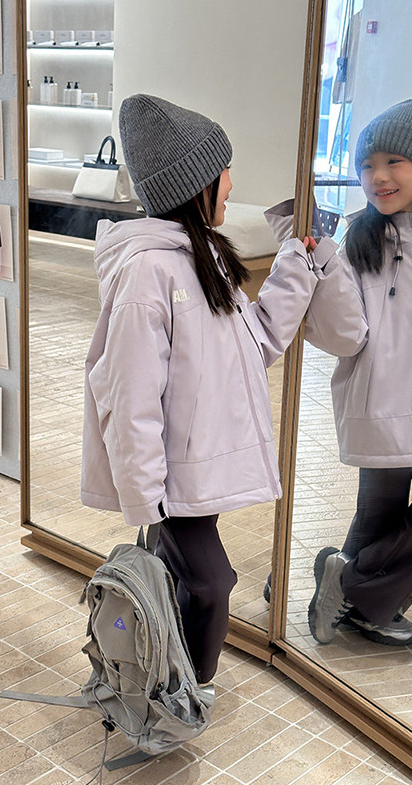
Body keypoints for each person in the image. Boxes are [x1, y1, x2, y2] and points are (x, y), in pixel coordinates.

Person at [80, 94, 339, 684]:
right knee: (210, 582)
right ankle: (185, 695)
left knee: (186, 581)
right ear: (195, 184)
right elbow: (129, 397)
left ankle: (160, 681)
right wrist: (146, 497)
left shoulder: (203, 259)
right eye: (224, 171)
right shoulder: (148, 273)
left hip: (198, 470)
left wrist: (296, 266)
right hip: (172, 478)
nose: (231, 183)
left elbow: (257, 344)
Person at [304, 93, 412, 647]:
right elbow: (344, 337)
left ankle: (347, 588)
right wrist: (320, 266)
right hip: (383, 405)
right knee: (380, 520)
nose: (378, 177)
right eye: (367, 165)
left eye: (393, 161)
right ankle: (365, 603)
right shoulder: (358, 244)